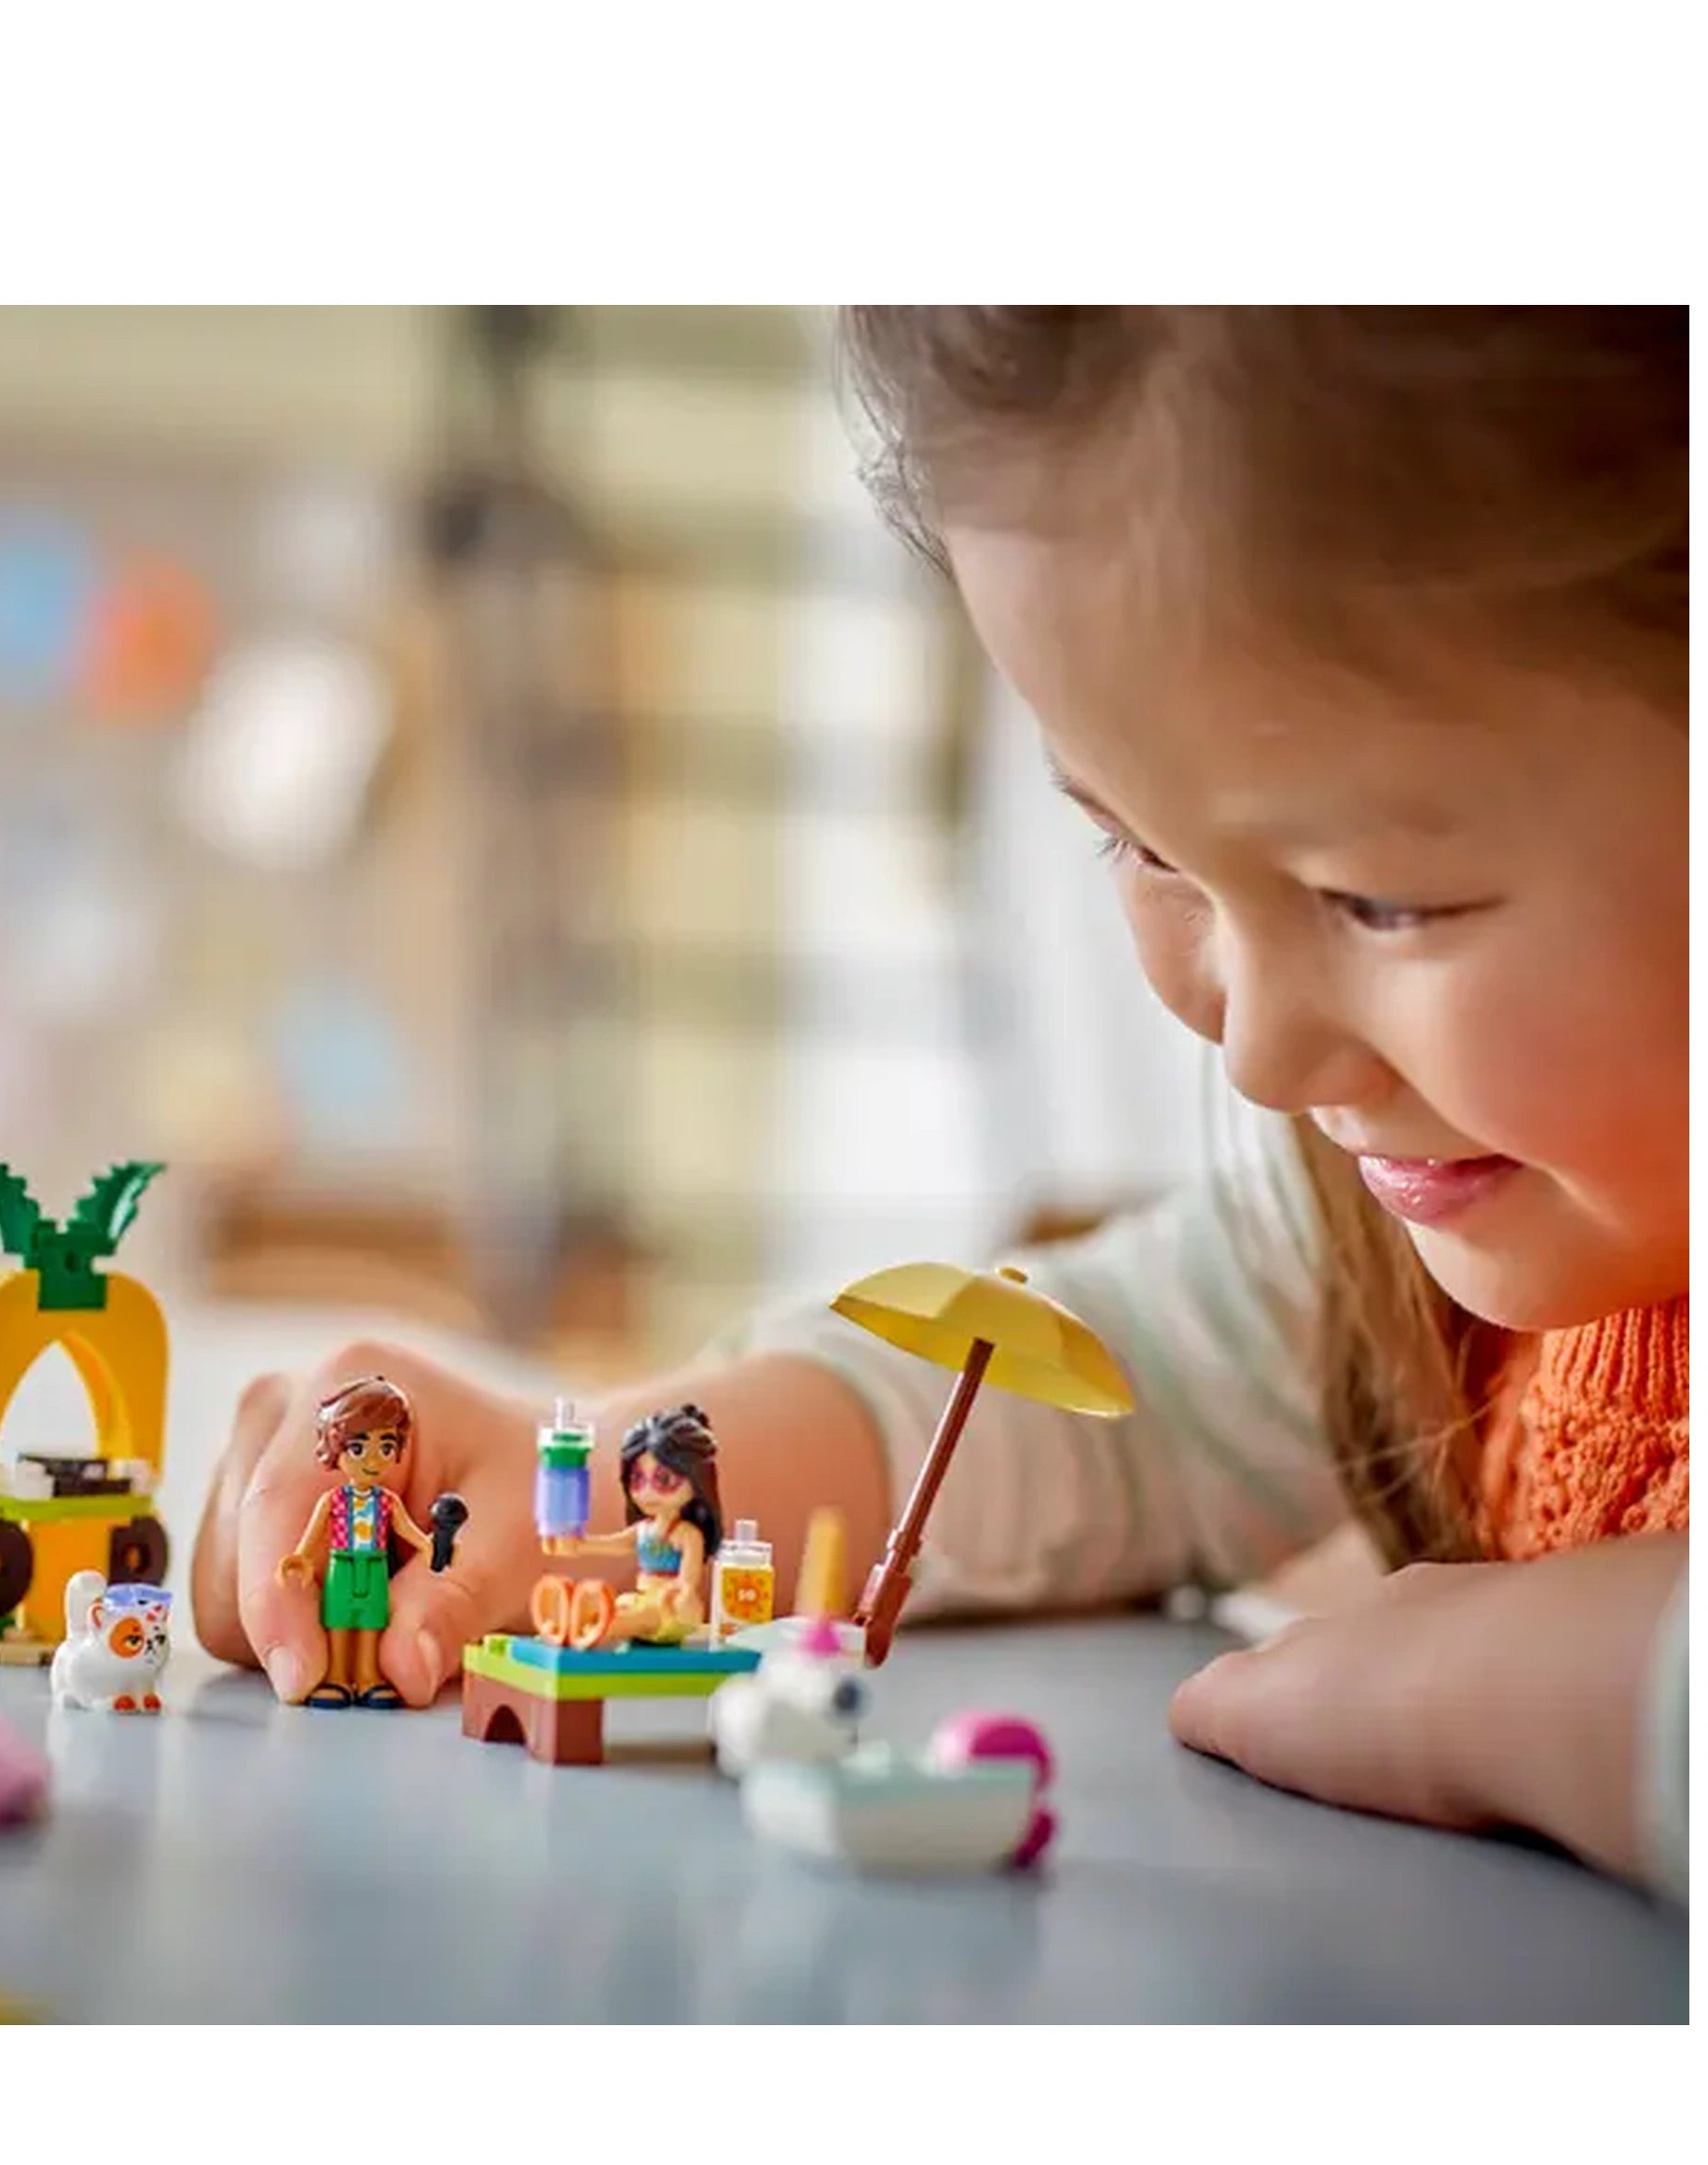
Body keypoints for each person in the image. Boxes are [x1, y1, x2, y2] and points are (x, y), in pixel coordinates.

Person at [195, 309, 1687, 1905]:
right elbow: (1094, 1399)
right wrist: (587, 1485)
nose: (1252, 1055)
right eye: (1142, 846)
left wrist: (1558, 1692)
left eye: (1386, 901)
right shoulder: (1377, 1241)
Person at [273, 1375, 433, 1708]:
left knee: (371, 1623)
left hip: (374, 1568)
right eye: (358, 1448)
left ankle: (367, 1676)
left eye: (386, 1447)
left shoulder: (387, 1502)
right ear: (335, 1449)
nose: (372, 1460)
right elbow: (313, 1533)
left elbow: (407, 1529)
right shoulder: (334, 1500)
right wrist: (300, 1557)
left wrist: (429, 1545)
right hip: (342, 1567)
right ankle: (336, 1677)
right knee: (339, 1622)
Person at [533, 1404, 724, 1647]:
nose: (647, 1493)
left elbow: (689, 1580)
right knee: (619, 1606)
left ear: (697, 1480)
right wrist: (579, 1545)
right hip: (642, 1598)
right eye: (637, 1479)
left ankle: (600, 1627)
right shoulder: (644, 1529)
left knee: (638, 1618)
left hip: (671, 1607)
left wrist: (684, 1592)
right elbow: (615, 1544)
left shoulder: (686, 1535)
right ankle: (573, 1621)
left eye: (664, 1480)